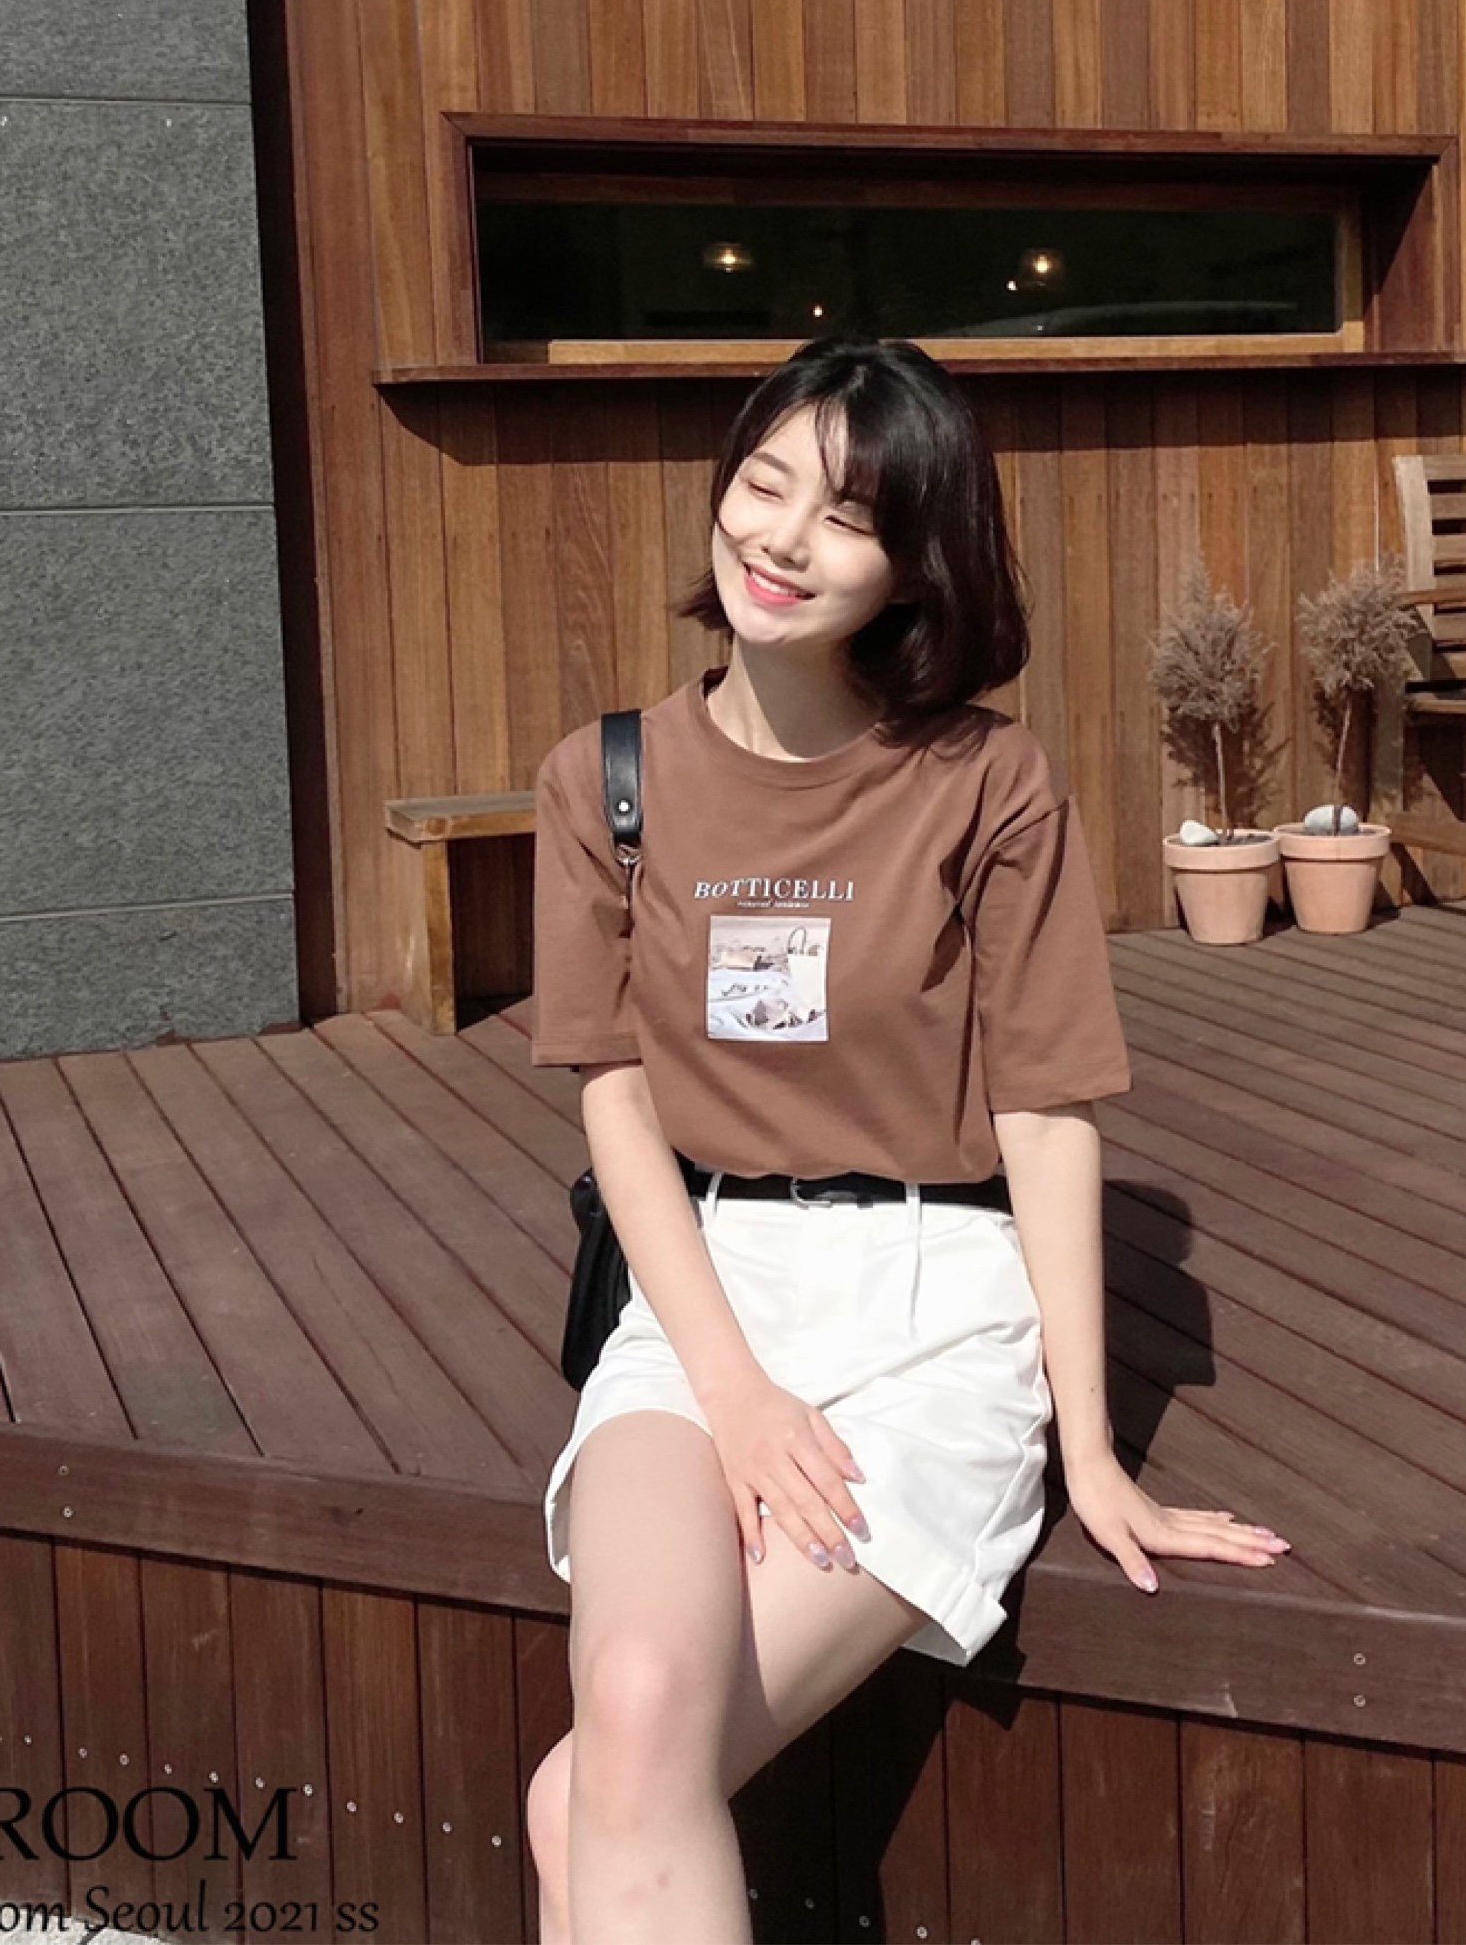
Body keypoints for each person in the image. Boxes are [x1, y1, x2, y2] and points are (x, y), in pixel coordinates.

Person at [521, 334, 1291, 1944]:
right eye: (764, 485)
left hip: (934, 1309)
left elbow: (1045, 1114)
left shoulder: (984, 781)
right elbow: (615, 1095)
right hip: (704, 1298)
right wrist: (736, 1391)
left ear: (914, 563)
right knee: (636, 1699)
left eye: (848, 516)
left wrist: (1091, 1449)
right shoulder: (607, 778)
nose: (783, 540)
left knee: (585, 1790)